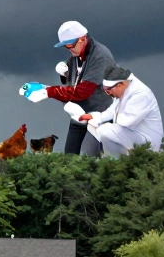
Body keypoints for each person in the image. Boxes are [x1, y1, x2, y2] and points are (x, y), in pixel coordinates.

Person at [18, 20, 116, 156]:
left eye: (70, 44)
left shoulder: (101, 56)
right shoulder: (76, 53)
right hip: (78, 114)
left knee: (91, 157)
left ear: (82, 39)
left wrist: (49, 91)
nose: (69, 49)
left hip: (100, 116)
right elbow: (72, 82)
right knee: (69, 157)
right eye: (65, 46)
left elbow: (82, 92)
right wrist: (65, 74)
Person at [77, 66, 164, 156]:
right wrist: (95, 117)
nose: (108, 93)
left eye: (108, 90)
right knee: (101, 131)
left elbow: (127, 122)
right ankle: (113, 162)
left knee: (104, 131)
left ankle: (115, 160)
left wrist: (99, 126)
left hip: (147, 141)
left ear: (119, 85)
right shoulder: (123, 91)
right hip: (134, 135)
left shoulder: (140, 94)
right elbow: (113, 110)